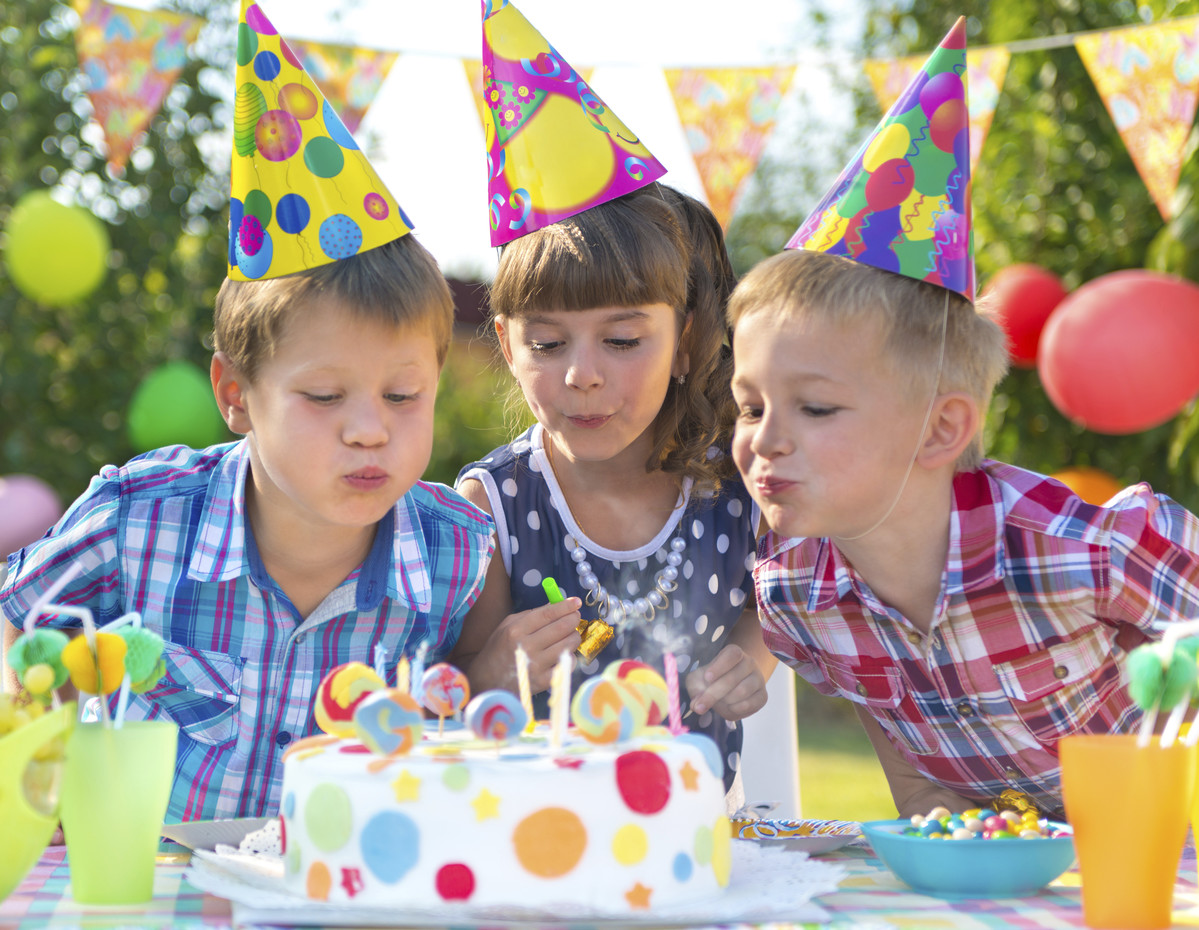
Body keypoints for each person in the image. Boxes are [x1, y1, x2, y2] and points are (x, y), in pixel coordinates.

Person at [0, 2, 493, 824]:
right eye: (325, 397)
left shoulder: (455, 556)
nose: (369, 428)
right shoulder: (136, 520)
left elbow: (470, 719)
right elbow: (11, 624)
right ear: (236, 396)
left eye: (403, 396)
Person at [728, 19, 1199, 820]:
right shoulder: (796, 599)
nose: (765, 437)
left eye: (813, 407)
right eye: (749, 404)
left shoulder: (1084, 549)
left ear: (941, 430)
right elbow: (912, 771)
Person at [452, 181, 774, 801]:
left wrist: (749, 661)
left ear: (684, 342)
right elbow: (453, 698)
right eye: (546, 344)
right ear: (507, 346)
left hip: (692, 830)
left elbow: (764, 616)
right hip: (532, 835)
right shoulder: (491, 506)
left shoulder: (738, 490)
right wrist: (496, 667)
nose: (582, 375)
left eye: (622, 341)